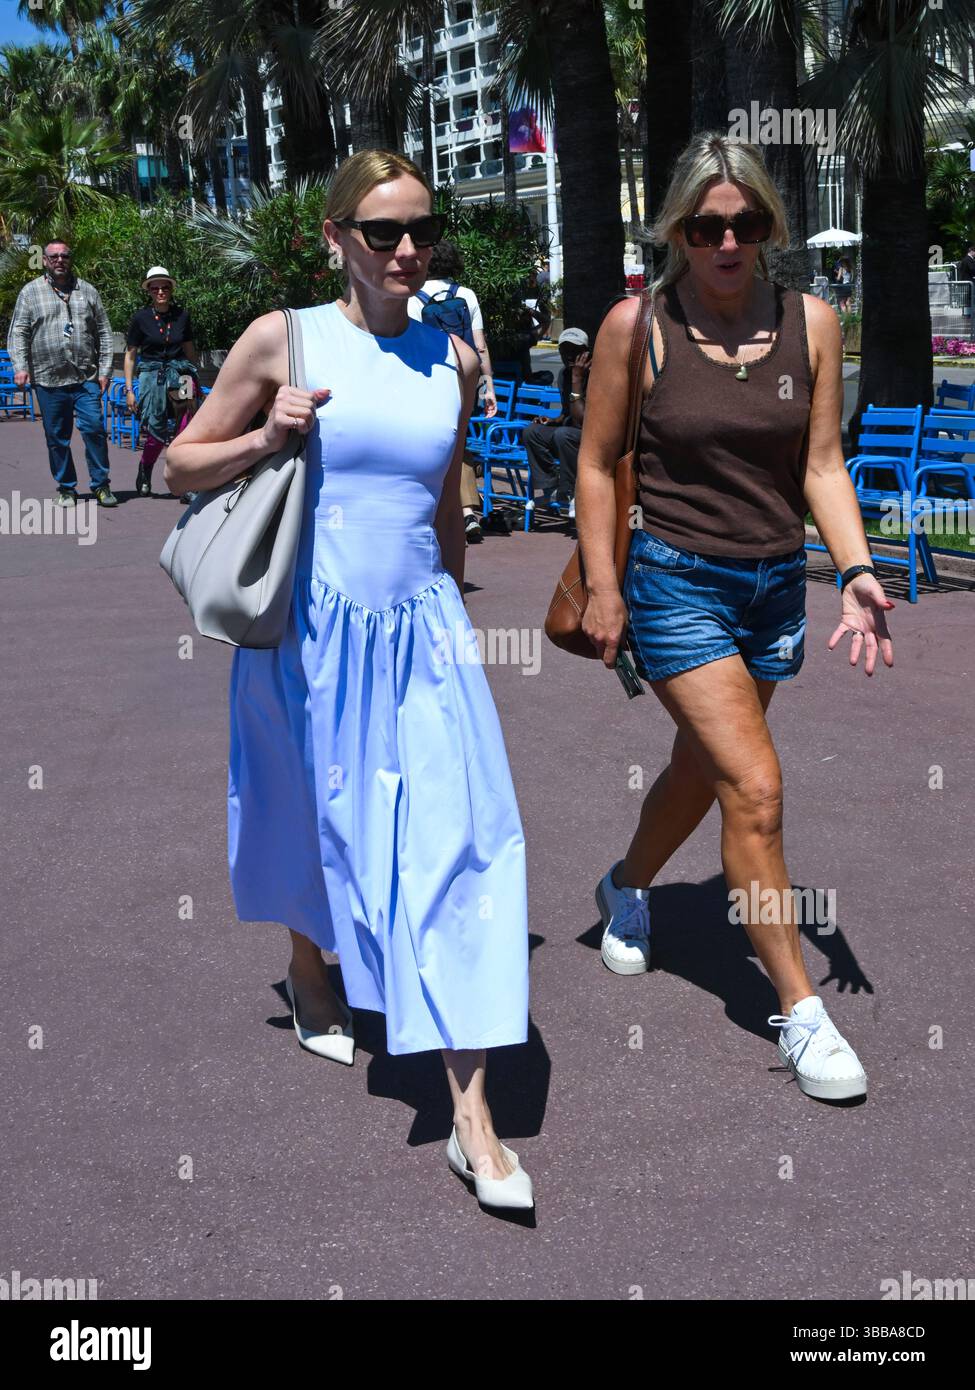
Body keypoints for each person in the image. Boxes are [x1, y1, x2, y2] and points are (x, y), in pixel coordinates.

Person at [164, 149, 533, 1212]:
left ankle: (472, 1117)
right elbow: (182, 462)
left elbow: (446, 503)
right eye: (382, 233)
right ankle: (310, 966)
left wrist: (457, 607)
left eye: (422, 230)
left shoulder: (452, 357)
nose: (407, 250)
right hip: (310, 637)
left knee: (460, 846)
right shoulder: (287, 336)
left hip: (422, 638)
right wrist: (265, 434)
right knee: (314, 821)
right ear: (336, 238)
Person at [577, 131, 895, 1104]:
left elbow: (821, 466)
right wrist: (604, 583)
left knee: (702, 770)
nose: (726, 242)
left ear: (768, 227)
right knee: (754, 786)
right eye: (707, 226)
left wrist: (855, 566)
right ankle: (799, 1008)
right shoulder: (640, 326)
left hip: (771, 589)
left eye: (745, 223)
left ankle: (625, 885)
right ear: (677, 230)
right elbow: (594, 464)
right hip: (675, 583)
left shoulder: (814, 322)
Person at [6, 239, 117, 507]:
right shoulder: (30, 292)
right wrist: (20, 366)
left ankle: (101, 485)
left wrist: (105, 371)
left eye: (64, 256)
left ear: (70, 259)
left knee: (94, 429)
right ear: (44, 260)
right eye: (53, 256)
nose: (59, 260)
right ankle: (67, 487)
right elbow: (18, 331)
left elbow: (104, 332)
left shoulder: (88, 291)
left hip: (85, 377)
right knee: (57, 437)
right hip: (48, 379)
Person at [407, 239, 496, 543]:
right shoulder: (466, 294)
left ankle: (434, 508)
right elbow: (480, 345)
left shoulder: (413, 298)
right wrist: (489, 386)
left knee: (431, 443)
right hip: (463, 378)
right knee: (459, 441)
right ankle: (468, 511)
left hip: (429, 379)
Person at [123, 266, 200, 498]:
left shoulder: (182, 316)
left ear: (171, 289)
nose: (160, 291)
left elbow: (189, 349)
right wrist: (130, 390)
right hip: (152, 377)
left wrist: (194, 377)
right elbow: (130, 355)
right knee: (156, 432)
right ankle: (145, 468)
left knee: (185, 430)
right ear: (149, 291)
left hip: (181, 374)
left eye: (165, 287)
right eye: (155, 288)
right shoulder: (140, 318)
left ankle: (185, 484)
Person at [523, 326, 591, 518]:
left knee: (563, 435)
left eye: (574, 351)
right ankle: (551, 488)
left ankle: (572, 492)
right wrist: (553, 420)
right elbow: (567, 412)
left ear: (585, 352)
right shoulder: (564, 375)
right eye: (564, 351)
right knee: (532, 432)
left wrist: (578, 380)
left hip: (592, 436)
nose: (569, 355)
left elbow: (583, 420)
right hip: (571, 432)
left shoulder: (594, 374)